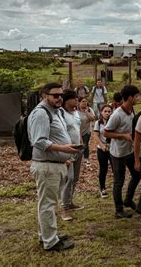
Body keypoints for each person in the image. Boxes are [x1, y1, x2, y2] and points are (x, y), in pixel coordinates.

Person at [27, 82, 77, 251]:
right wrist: (63, 149)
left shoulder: (54, 112)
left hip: (54, 164)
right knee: (47, 204)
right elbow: (39, 141)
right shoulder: (41, 114)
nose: (59, 98)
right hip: (47, 167)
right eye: (55, 95)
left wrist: (64, 158)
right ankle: (50, 241)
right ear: (44, 95)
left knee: (47, 203)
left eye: (61, 95)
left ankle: (47, 235)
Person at [103, 85, 141, 218]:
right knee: (119, 181)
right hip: (118, 153)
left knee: (137, 175)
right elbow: (106, 132)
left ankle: (128, 200)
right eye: (136, 96)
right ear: (130, 97)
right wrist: (123, 136)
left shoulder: (132, 110)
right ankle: (118, 210)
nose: (138, 98)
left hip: (130, 151)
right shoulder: (117, 115)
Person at [60, 90, 84, 222]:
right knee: (68, 178)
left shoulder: (75, 113)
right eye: (74, 99)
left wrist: (80, 141)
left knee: (75, 178)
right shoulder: (61, 113)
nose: (76, 101)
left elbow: (77, 128)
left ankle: (70, 202)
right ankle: (64, 209)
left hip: (77, 148)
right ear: (67, 100)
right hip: (67, 150)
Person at [93, 104, 113, 199]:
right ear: (101, 112)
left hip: (113, 148)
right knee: (103, 168)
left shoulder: (113, 122)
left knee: (115, 168)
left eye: (109, 111)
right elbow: (96, 136)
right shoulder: (98, 122)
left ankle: (117, 187)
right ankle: (102, 188)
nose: (107, 113)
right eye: (105, 111)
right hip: (102, 148)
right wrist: (102, 145)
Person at [78, 97, 96, 167]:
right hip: (78, 131)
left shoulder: (90, 109)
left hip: (87, 130)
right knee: (78, 145)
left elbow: (92, 119)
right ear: (79, 103)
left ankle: (86, 159)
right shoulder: (76, 111)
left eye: (85, 101)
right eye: (83, 101)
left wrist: (86, 112)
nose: (84, 102)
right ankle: (79, 159)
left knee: (85, 144)